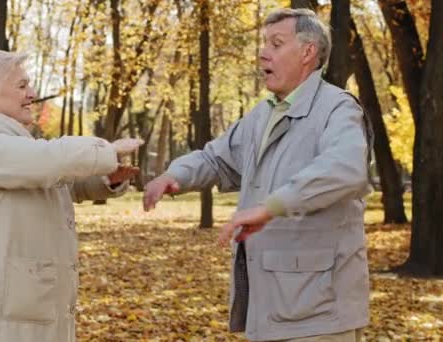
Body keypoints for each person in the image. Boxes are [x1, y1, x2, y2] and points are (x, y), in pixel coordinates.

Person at [144, 8, 371, 342]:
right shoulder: (262, 115)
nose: (263, 52)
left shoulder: (338, 108)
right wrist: (175, 175)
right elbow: (217, 158)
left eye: (276, 44)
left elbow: (345, 168)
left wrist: (272, 206)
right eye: (265, 43)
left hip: (319, 314)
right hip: (271, 308)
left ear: (308, 52)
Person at [0, 48, 143, 342]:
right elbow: (47, 160)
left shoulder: (13, 145)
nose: (32, 93)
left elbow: (54, 181)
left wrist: (104, 181)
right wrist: (105, 150)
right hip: (3, 318)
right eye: (21, 86)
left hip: (28, 305)